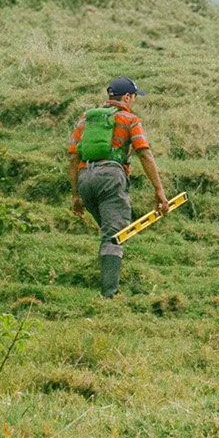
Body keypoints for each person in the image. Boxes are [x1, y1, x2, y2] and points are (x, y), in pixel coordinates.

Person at [68, 77, 169, 299]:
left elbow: (74, 157)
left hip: (85, 178)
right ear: (126, 97)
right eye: (134, 97)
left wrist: (76, 195)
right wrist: (159, 190)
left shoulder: (86, 119)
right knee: (114, 236)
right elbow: (144, 153)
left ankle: (109, 281)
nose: (134, 102)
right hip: (111, 177)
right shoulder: (130, 119)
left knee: (108, 232)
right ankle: (109, 295)